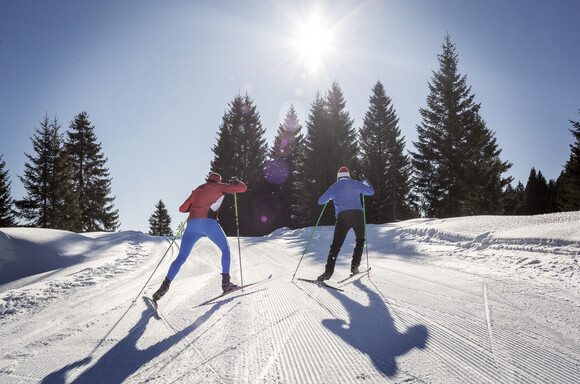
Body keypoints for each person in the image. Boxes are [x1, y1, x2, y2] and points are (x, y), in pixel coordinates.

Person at [152, 172, 247, 302]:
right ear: (218, 180)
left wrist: (192, 207)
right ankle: (226, 284)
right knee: (225, 249)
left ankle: (165, 285)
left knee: (181, 258)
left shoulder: (197, 190)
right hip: (208, 223)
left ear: (208, 179)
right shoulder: (220, 187)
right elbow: (243, 188)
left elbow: (182, 209)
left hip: (192, 225)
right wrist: (236, 181)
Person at [317, 166, 374, 281]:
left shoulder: (334, 187)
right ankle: (354, 266)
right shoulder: (355, 183)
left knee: (336, 246)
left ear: (338, 177)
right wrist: (364, 179)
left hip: (343, 218)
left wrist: (330, 198)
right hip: (358, 216)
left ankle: (328, 272)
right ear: (348, 176)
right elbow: (370, 192)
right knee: (360, 240)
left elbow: (320, 201)